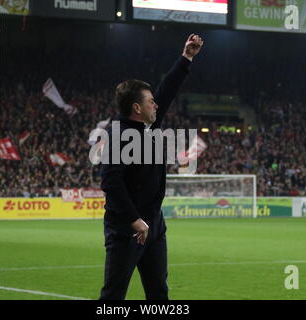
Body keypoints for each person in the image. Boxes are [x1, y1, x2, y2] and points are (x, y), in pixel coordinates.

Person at [99, 34, 204, 300]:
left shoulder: (148, 126)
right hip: (128, 228)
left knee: (159, 294)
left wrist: (186, 58)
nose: (156, 104)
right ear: (136, 108)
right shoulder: (118, 135)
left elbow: (167, 91)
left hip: (154, 226)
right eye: (149, 101)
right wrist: (135, 221)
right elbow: (111, 183)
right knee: (113, 297)